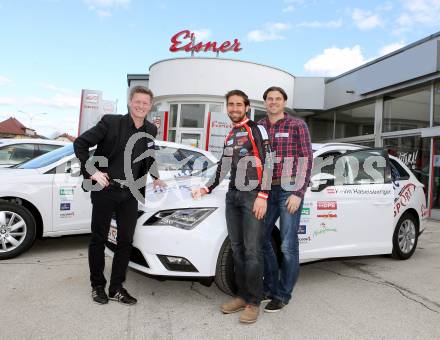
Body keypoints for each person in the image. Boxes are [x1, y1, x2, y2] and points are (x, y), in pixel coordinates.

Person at [74, 86, 166, 305]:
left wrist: (156, 177)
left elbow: (148, 156)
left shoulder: (151, 130)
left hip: (130, 193)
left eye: (145, 103)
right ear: (129, 102)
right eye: (137, 102)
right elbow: (80, 144)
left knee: (125, 241)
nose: (141, 106)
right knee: (99, 238)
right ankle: (97, 286)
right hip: (105, 189)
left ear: (150, 106)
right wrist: (93, 172)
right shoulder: (111, 122)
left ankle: (116, 287)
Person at [192, 90, 272, 324]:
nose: (234, 108)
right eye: (231, 105)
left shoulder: (256, 129)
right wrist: (206, 188)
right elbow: (223, 166)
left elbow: (270, 160)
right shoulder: (231, 134)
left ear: (246, 107)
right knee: (237, 249)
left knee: (252, 251)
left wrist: (263, 195)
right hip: (233, 196)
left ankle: (254, 302)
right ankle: (242, 295)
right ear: (227, 108)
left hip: (252, 196)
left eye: (239, 104)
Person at [258, 86, 313, 312]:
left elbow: (306, 158)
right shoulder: (259, 126)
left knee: (288, 246)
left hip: (290, 188)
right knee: (261, 239)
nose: (273, 102)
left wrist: (298, 193)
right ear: (265, 102)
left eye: (277, 99)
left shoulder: (297, 125)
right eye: (269, 99)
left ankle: (282, 294)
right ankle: (269, 287)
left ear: (284, 102)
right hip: (265, 190)